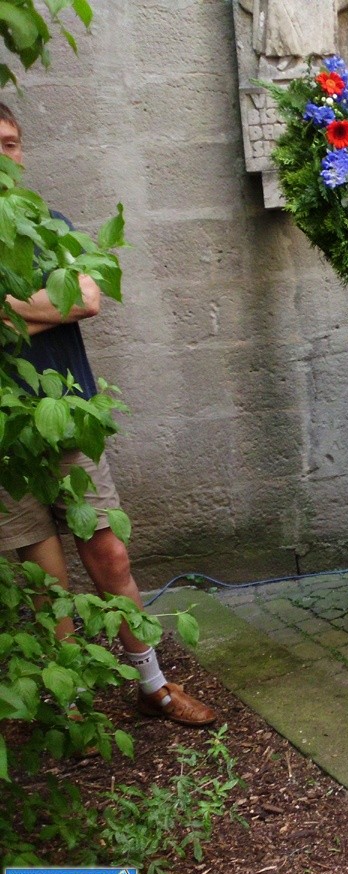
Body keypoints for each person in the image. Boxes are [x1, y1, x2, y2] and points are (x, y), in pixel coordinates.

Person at [0, 103, 216, 727]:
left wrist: (7, 308)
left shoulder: (51, 228)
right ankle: (74, 709)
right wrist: (45, 303)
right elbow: (62, 302)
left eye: (11, 144)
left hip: (69, 419)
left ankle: (153, 685)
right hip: (7, 438)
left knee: (110, 557)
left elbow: (87, 299)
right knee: (46, 583)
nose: (4, 156)